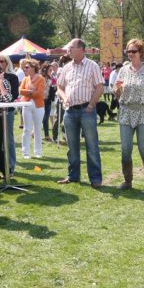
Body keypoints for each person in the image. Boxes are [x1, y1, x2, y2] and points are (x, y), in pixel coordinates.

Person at [114, 39, 144, 194]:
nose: (130, 54)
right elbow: (117, 93)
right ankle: (127, 181)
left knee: (143, 148)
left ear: (140, 52)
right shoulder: (123, 70)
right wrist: (117, 89)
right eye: (128, 51)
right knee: (125, 149)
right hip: (126, 112)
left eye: (133, 51)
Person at [56, 38, 103, 188]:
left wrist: (91, 105)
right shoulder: (66, 67)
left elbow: (100, 87)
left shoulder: (92, 65)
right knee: (72, 146)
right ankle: (73, 176)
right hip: (70, 111)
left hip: (86, 110)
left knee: (92, 145)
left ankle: (95, 178)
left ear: (81, 49)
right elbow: (59, 87)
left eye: (71, 47)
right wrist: (64, 98)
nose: (68, 50)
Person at [0, 54, 20, 173]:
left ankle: (10, 166)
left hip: (8, 111)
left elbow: (14, 95)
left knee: (8, 138)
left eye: (2, 61)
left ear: (7, 62)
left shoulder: (12, 77)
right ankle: (0, 167)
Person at [19, 58, 46, 159]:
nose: (25, 69)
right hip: (26, 105)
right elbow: (20, 91)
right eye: (24, 67)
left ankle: (38, 151)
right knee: (26, 129)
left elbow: (39, 93)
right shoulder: (25, 79)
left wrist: (27, 92)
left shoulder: (41, 79)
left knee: (37, 129)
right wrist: (31, 92)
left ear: (34, 67)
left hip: (39, 106)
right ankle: (25, 152)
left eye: (27, 67)